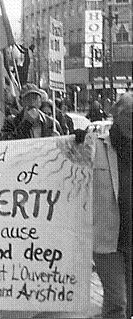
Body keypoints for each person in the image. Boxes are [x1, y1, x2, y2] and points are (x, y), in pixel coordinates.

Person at [109, 93, 132, 318]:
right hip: (109, 240)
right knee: (118, 302)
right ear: (116, 116)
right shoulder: (97, 146)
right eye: (128, 115)